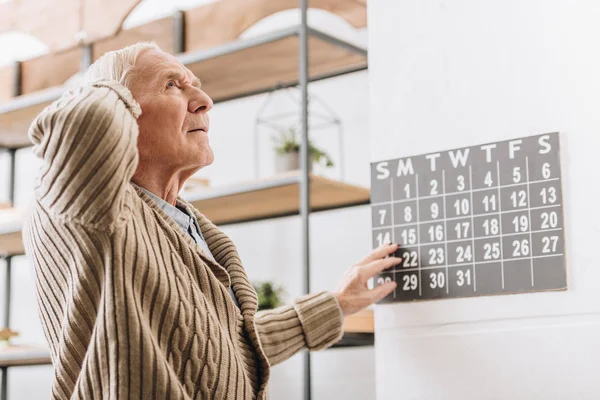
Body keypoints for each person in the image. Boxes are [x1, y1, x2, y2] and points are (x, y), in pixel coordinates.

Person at [22, 41, 399, 399]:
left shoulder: (191, 228)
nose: (205, 101)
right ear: (123, 110)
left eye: (196, 88)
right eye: (172, 85)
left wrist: (336, 303)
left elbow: (220, 354)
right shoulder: (87, 199)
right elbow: (79, 123)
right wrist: (112, 81)